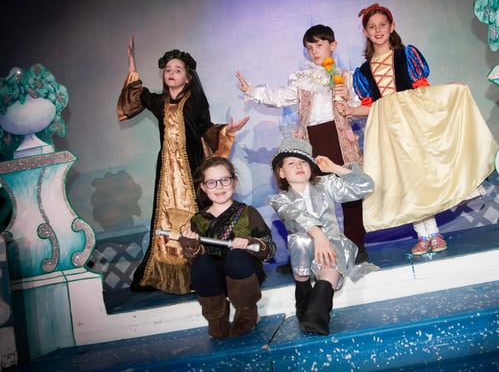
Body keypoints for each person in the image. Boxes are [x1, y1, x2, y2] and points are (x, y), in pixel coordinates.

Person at [336, 3, 498, 256]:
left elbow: (422, 89)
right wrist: (350, 110)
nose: (378, 30)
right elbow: (373, 106)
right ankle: (423, 235)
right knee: (405, 180)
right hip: (387, 131)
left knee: (423, 174)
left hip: (413, 123)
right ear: (366, 32)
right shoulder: (364, 71)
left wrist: (449, 91)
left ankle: (433, 233)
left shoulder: (406, 55)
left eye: (382, 25)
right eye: (372, 27)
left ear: (392, 27)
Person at [117, 35, 250, 294]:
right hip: (167, 170)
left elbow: (204, 129)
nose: (171, 73)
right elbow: (138, 96)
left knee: (196, 215)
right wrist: (132, 63)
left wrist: (226, 130)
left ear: (188, 77)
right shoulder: (159, 102)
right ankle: (164, 272)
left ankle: (203, 270)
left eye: (177, 70)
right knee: (165, 215)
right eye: (168, 70)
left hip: (191, 166)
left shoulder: (195, 101)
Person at [236, 24, 370, 263]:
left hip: (340, 137)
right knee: (306, 195)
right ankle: (308, 250)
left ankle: (356, 246)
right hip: (311, 139)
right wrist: (253, 91)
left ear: (333, 45)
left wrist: (348, 99)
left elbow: (361, 108)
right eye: (310, 47)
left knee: (350, 194)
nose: (314, 51)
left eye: (319, 45)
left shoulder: (346, 77)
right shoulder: (302, 79)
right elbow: (279, 97)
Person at [270, 137, 374, 335]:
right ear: (281, 172)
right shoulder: (279, 200)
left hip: (333, 248)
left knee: (334, 252)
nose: (299, 166)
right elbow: (295, 216)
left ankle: (317, 313)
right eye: (291, 163)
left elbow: (365, 187)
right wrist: (318, 234)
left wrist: (335, 167)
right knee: (300, 239)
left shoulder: (326, 185)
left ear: (311, 167)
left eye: (303, 161)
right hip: (304, 254)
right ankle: (302, 291)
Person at [179, 156, 276, 338]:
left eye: (225, 180)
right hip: (216, 279)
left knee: (236, 257)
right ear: (203, 187)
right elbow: (196, 258)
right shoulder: (197, 221)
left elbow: (270, 251)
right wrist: (191, 246)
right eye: (212, 182)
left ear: (234, 181)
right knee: (201, 265)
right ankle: (217, 320)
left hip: (245, 276)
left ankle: (247, 314)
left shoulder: (248, 213)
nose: (219, 187)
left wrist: (250, 242)